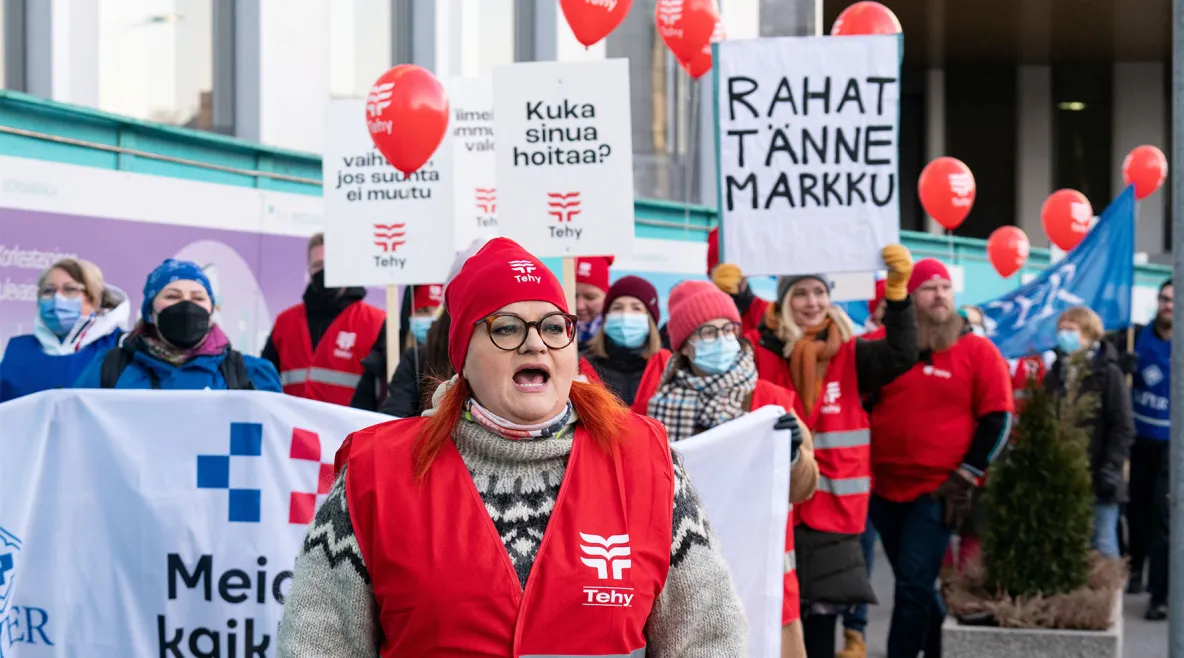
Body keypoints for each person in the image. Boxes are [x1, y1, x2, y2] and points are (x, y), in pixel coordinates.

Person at [277, 238, 748, 656]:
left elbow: (709, 639)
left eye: (553, 326)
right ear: (463, 354)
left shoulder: (647, 462)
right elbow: (319, 643)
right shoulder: (376, 472)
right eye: (506, 328)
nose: (536, 345)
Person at [741, 246, 918, 658]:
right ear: (785, 300)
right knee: (770, 617)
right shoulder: (761, 350)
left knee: (821, 620)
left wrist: (897, 294)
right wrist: (733, 293)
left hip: (832, 510)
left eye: (820, 292)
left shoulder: (853, 353)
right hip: (773, 506)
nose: (812, 302)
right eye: (801, 293)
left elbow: (902, 353)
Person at [637, 279, 820, 658]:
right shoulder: (656, 412)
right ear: (685, 344)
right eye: (708, 332)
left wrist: (792, 455)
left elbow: (805, 486)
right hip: (685, 581)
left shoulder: (770, 401)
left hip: (763, 575)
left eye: (728, 330)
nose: (722, 340)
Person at [868, 259, 1013, 658]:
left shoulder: (978, 351)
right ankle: (939, 649)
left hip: (937, 490)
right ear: (911, 298)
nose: (940, 295)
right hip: (883, 490)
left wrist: (967, 475)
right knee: (914, 582)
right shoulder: (884, 345)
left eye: (945, 288)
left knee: (913, 584)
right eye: (929, 288)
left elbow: (998, 419)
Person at [74, 259, 280, 391]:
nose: (187, 305)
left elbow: (274, 445)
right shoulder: (108, 368)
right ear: (149, 311)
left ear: (211, 310)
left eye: (198, 298)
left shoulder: (250, 374)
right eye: (172, 296)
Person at [1044, 306, 1134, 559]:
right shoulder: (1056, 374)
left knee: (1102, 545)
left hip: (1098, 474)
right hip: (1062, 475)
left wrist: (1110, 468)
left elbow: (1123, 426)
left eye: (1071, 330)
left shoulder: (1108, 373)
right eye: (1061, 329)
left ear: (1089, 334)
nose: (1064, 335)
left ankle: (1110, 598)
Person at [263, 233, 384, 405]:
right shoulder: (285, 322)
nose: (324, 272)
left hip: (349, 429)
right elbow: (264, 381)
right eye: (318, 265)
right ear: (309, 270)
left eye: (331, 265)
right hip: (293, 429)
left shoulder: (376, 322)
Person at [1, 259, 131, 402]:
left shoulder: (120, 347)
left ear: (93, 298)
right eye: (48, 291)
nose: (57, 298)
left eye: (69, 289)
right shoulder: (16, 350)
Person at [1126, 279, 1172, 619]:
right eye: (1164, 299)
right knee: (1137, 511)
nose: (1169, 305)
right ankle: (1135, 569)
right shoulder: (1137, 335)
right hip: (1139, 439)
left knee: (1162, 517)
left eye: (1174, 300)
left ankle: (1159, 595)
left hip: (1172, 445)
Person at [350, 284, 444, 412]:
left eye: (439, 313)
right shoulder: (382, 359)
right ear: (408, 315)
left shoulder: (459, 362)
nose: (432, 320)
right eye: (423, 311)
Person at [581, 275, 671, 407]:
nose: (625, 315)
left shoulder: (667, 364)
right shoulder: (581, 365)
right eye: (617, 308)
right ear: (606, 318)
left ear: (650, 320)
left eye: (636, 308)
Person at [575, 256, 613, 349]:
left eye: (590, 297)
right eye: (574, 296)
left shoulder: (616, 338)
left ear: (606, 297)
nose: (580, 306)